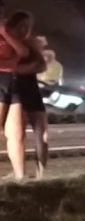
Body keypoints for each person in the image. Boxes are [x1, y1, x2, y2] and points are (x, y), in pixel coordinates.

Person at [0, 12, 48, 180]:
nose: (25, 30)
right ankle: (19, 171)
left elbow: (40, 64)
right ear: (12, 26)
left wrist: (18, 69)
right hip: (12, 88)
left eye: (27, 26)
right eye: (21, 26)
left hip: (27, 90)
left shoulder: (28, 43)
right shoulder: (7, 42)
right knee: (14, 133)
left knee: (37, 134)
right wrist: (16, 68)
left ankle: (38, 174)